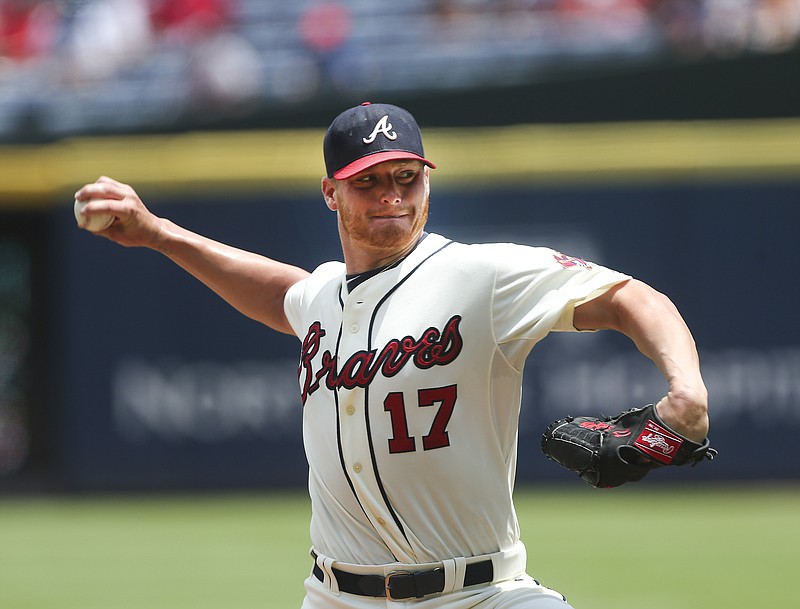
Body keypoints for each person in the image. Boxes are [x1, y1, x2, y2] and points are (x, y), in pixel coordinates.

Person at [74, 102, 709, 608]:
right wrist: (158, 234)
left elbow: (632, 298)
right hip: (335, 595)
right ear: (330, 192)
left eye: (406, 177)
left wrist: (687, 393)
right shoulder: (322, 294)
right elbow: (282, 295)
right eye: (369, 182)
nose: (391, 197)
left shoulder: (479, 275)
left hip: (480, 593)